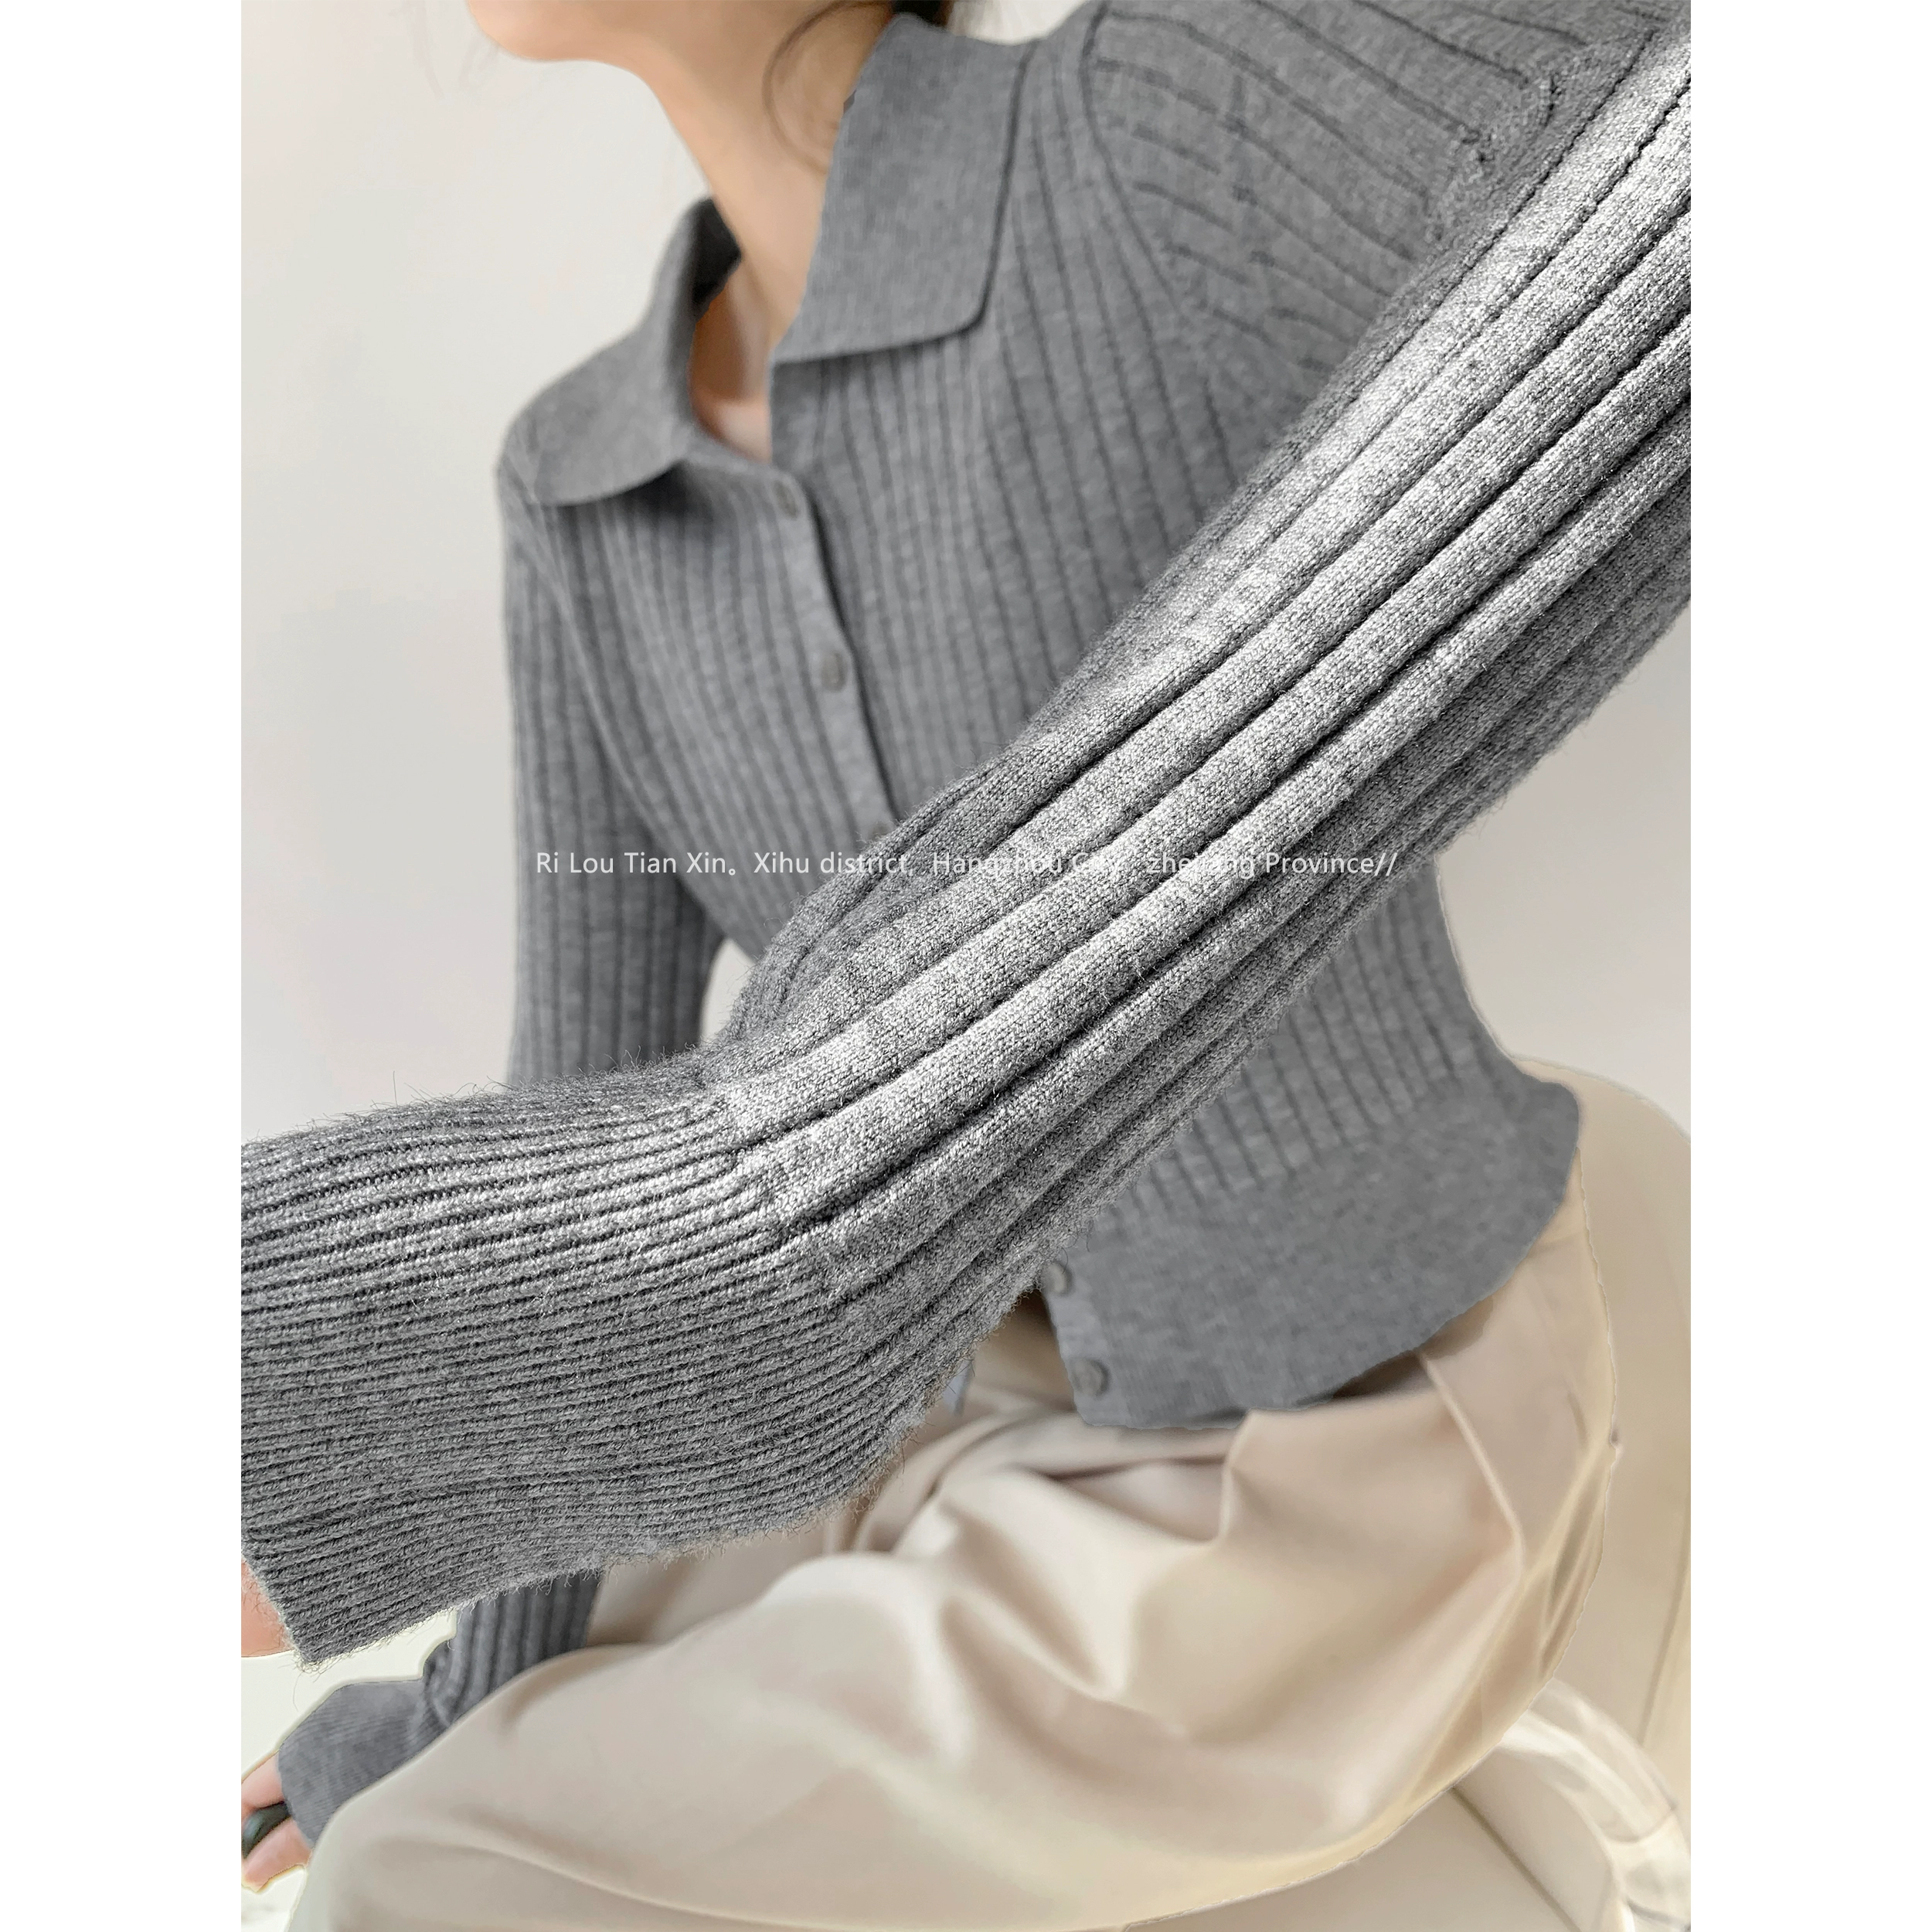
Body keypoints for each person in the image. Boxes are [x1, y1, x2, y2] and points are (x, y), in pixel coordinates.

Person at [240, 0, 1689, 1919]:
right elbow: (580, 1107)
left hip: (1347, 1436)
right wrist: (466, 1702)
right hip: (959, 1404)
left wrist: (787, 1214)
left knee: (429, 1877)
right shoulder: (582, 480)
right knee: (454, 1783)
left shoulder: (1145, 126)